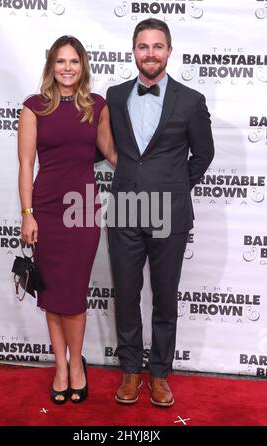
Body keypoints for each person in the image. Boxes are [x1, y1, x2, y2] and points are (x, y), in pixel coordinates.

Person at [106, 18, 214, 407]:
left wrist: (173, 185)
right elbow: (108, 146)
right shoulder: (114, 96)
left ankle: (160, 374)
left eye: (157, 46)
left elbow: (204, 155)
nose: (150, 53)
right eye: (142, 46)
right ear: (133, 51)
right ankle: (131, 371)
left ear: (169, 51)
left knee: (165, 296)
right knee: (126, 294)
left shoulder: (190, 100)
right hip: (124, 210)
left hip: (169, 212)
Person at [18, 35, 116, 405]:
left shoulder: (96, 106)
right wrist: (27, 214)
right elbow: (26, 165)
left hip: (82, 211)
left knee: (72, 297)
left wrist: (156, 170)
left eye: (74, 61)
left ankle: (77, 363)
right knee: (52, 296)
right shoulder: (33, 107)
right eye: (61, 61)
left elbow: (112, 153)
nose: (68, 68)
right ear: (51, 66)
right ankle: (62, 365)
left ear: (83, 65)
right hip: (45, 210)